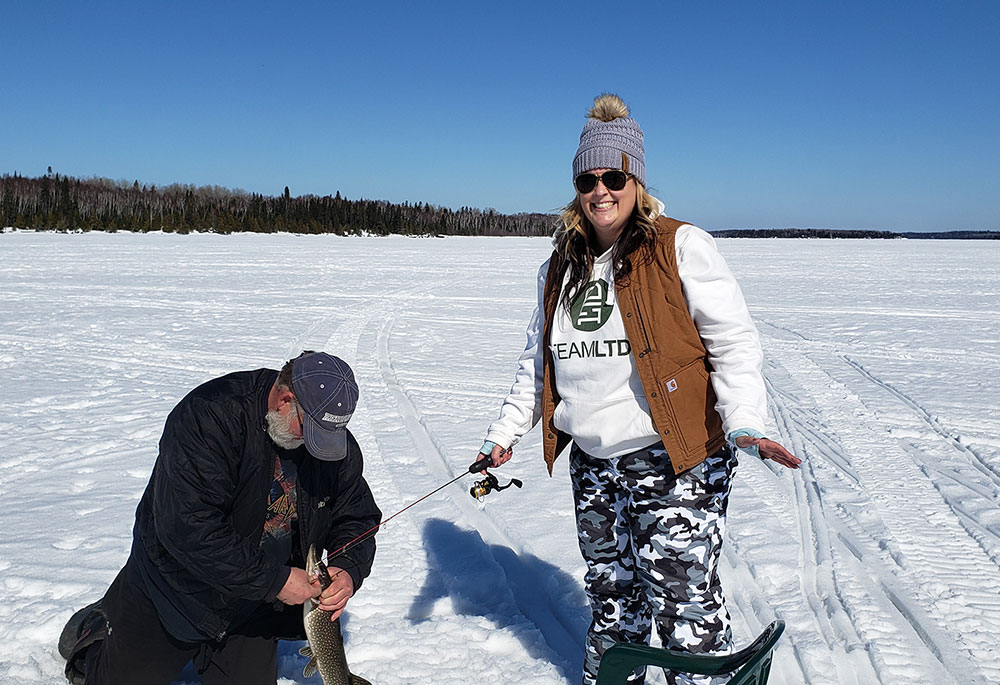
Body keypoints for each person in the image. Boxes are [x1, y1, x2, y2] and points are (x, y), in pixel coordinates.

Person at [476, 94, 801, 685]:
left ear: (637, 179)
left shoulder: (679, 247)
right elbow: (537, 361)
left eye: (614, 176)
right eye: (588, 178)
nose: (601, 190)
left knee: (683, 606)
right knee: (611, 601)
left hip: (673, 459)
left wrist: (746, 421)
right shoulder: (559, 268)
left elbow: (733, 344)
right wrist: (503, 435)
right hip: (594, 463)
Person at [59, 351, 381, 685]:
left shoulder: (328, 442)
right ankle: (99, 630)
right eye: (309, 429)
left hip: (252, 606)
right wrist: (277, 580)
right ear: (285, 399)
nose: (318, 444)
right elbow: (188, 528)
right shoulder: (210, 415)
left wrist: (348, 568)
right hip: (173, 592)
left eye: (328, 433)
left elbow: (356, 516)